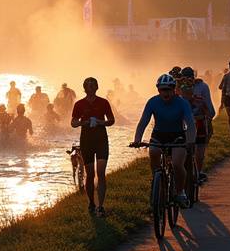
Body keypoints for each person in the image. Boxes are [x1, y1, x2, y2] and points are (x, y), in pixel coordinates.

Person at [132, 74, 197, 208]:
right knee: (154, 152)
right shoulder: (152, 102)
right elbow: (143, 122)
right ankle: (157, 182)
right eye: (162, 90)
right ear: (158, 90)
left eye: (168, 89)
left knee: (178, 163)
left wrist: (190, 141)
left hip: (177, 136)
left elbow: (190, 124)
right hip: (158, 135)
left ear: (174, 90)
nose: (165, 92)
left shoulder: (182, 102)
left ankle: (180, 192)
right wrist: (137, 139)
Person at [71, 77, 116, 216]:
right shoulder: (79, 104)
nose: (90, 88)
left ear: (97, 87)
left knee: (101, 173)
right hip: (86, 141)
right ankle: (91, 202)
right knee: (89, 174)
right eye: (88, 86)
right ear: (84, 88)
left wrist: (99, 122)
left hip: (101, 140)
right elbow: (73, 122)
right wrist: (82, 123)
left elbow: (111, 120)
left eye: (93, 86)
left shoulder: (103, 102)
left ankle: (101, 206)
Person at [182, 67, 215, 184]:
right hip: (191, 123)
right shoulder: (180, 88)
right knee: (193, 151)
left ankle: (194, 174)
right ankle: (192, 174)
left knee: (195, 153)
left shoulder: (201, 87)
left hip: (192, 123)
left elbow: (210, 108)